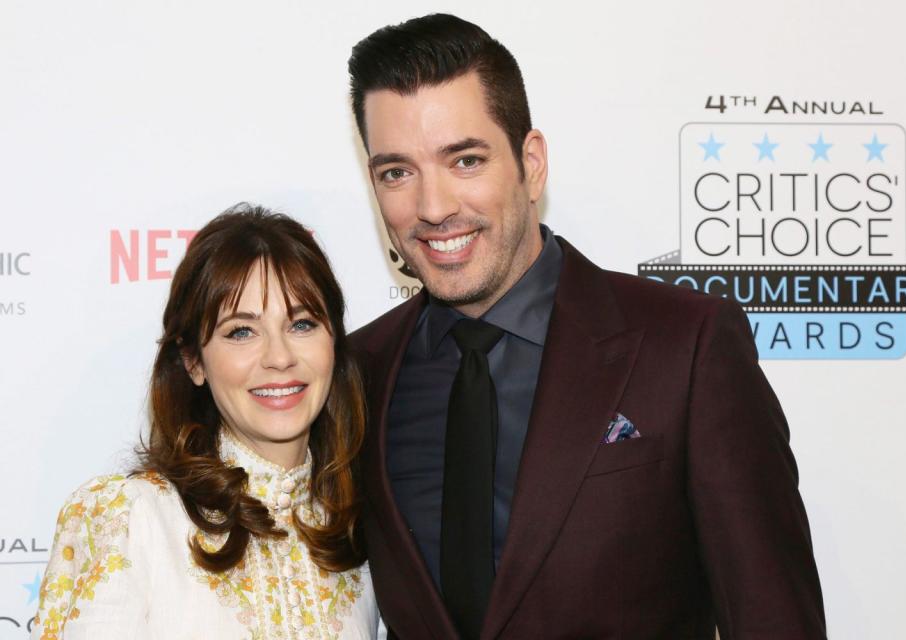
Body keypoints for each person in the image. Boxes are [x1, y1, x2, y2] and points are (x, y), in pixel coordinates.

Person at [347, 14, 827, 640]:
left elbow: (772, 618)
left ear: (532, 163)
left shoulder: (685, 346)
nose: (433, 207)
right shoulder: (359, 372)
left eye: (465, 160)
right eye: (396, 172)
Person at [32, 205, 378, 639]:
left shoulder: (354, 530)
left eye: (303, 324)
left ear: (334, 344)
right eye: (241, 332)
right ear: (193, 361)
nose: (280, 357)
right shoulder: (129, 519)